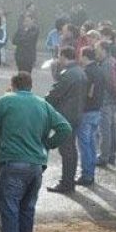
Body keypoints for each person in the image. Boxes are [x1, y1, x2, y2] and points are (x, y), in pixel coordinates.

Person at [0, 72, 71, 232]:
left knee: (10, 209)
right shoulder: (42, 104)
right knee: (27, 209)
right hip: (36, 165)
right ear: (30, 86)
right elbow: (64, 128)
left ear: (13, 85)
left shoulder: (6, 101)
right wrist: (47, 144)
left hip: (13, 163)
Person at [45, 47, 86, 194]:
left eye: (60, 56)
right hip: (76, 115)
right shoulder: (80, 72)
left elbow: (55, 94)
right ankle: (68, 181)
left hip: (66, 116)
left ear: (63, 56)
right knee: (71, 150)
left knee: (66, 150)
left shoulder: (68, 74)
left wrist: (41, 103)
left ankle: (67, 183)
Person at [76, 47, 107, 187]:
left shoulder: (87, 72)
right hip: (97, 110)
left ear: (85, 56)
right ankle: (91, 173)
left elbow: (86, 93)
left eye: (81, 55)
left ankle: (87, 174)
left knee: (84, 145)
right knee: (92, 143)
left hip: (87, 111)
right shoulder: (100, 70)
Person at [96, 41, 116, 166]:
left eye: (98, 49)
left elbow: (109, 83)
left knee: (105, 130)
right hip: (113, 100)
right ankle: (112, 155)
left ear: (104, 50)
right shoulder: (114, 61)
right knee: (112, 128)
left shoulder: (106, 64)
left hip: (106, 100)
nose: (96, 52)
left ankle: (104, 157)